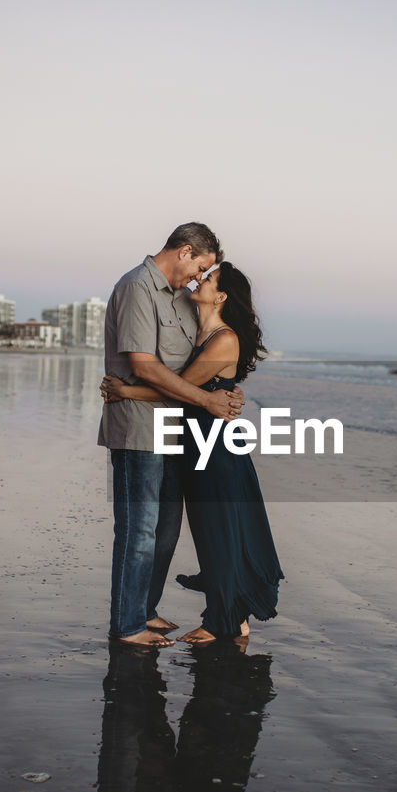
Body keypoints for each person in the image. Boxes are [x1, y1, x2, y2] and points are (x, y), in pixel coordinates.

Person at [102, 261, 283, 644]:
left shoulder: (223, 339)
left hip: (214, 448)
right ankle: (233, 615)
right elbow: (187, 387)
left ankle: (226, 621)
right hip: (194, 443)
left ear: (221, 296)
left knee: (217, 532)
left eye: (209, 277)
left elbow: (179, 388)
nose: (200, 278)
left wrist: (125, 391)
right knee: (211, 532)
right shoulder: (199, 330)